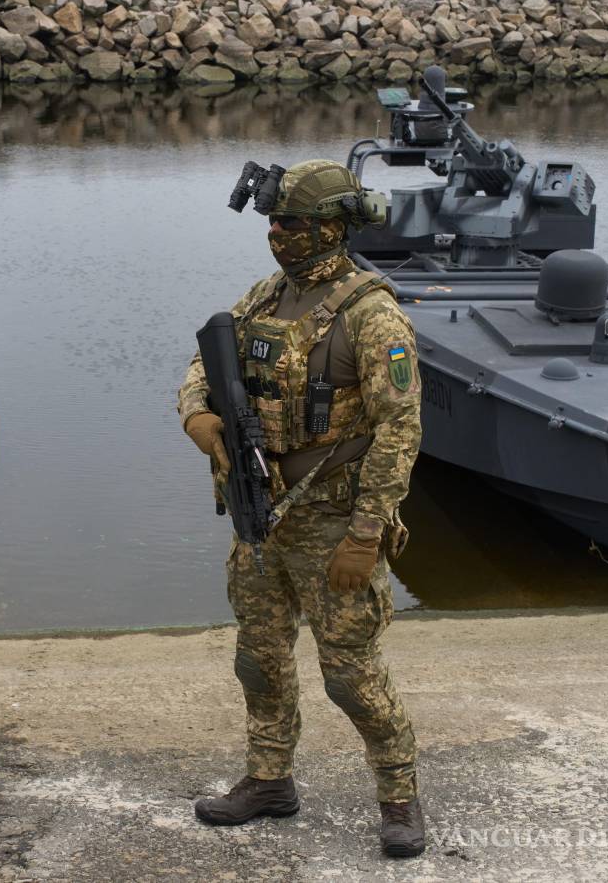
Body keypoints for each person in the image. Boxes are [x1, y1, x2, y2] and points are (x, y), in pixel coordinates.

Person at [177, 160, 426, 857]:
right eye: (274, 222)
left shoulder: (372, 316)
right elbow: (202, 370)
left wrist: (366, 533)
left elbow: (399, 431)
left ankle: (400, 796)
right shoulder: (264, 298)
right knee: (259, 661)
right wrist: (196, 417)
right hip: (261, 519)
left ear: (331, 228)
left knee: (351, 676)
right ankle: (268, 780)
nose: (278, 233)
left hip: (334, 523)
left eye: (292, 223)